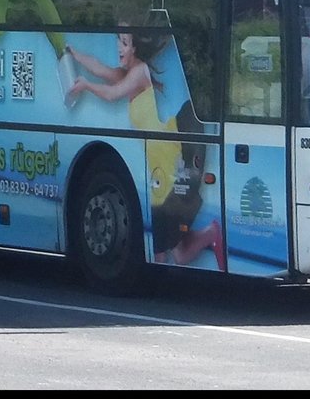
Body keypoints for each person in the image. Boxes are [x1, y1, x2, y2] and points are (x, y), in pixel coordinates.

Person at [66, 24, 224, 270]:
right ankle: (211, 233)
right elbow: (101, 69)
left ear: (136, 48)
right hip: (158, 161)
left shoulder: (139, 72)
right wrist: (75, 54)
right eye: (119, 40)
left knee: (162, 252)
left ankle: (210, 234)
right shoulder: (129, 72)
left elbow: (112, 94)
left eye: (125, 43)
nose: (119, 47)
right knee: (177, 255)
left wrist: (85, 85)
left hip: (174, 149)